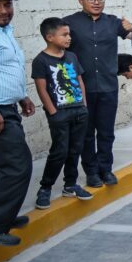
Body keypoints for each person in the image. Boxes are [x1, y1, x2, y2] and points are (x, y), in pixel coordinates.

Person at [64, 0, 132, 188]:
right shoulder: (69, 23)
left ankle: (105, 169)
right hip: (81, 88)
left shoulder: (113, 22)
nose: (96, 2)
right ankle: (91, 172)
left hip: (107, 86)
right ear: (81, 0)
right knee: (86, 134)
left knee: (106, 132)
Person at [0, 0, 35, 247]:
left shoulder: (3, 32)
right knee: (17, 165)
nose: (3, 10)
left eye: (7, 4)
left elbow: (4, 71)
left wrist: (22, 96)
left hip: (6, 108)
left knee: (8, 165)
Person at [31, 18, 92, 209]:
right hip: (60, 114)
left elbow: (79, 80)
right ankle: (45, 188)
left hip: (79, 111)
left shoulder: (71, 56)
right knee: (59, 151)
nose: (69, 38)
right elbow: (41, 89)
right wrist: (53, 112)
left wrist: (84, 105)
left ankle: (70, 185)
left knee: (75, 150)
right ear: (49, 37)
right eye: (64, 34)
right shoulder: (41, 60)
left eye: (69, 34)